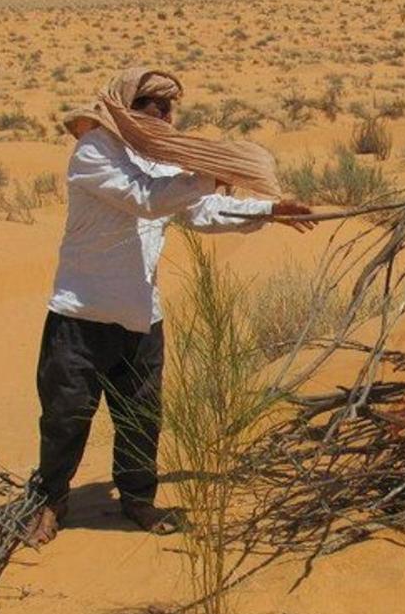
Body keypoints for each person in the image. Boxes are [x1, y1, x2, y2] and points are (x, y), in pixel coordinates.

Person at [27, 67, 313, 545]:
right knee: (65, 416)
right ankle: (50, 503)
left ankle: (138, 500)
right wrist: (207, 173)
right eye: (150, 105)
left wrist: (268, 211)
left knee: (141, 416)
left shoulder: (158, 162)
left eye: (168, 108)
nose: (162, 116)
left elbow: (198, 211)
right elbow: (146, 200)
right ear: (125, 107)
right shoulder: (95, 152)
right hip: (80, 314)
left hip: (141, 317)